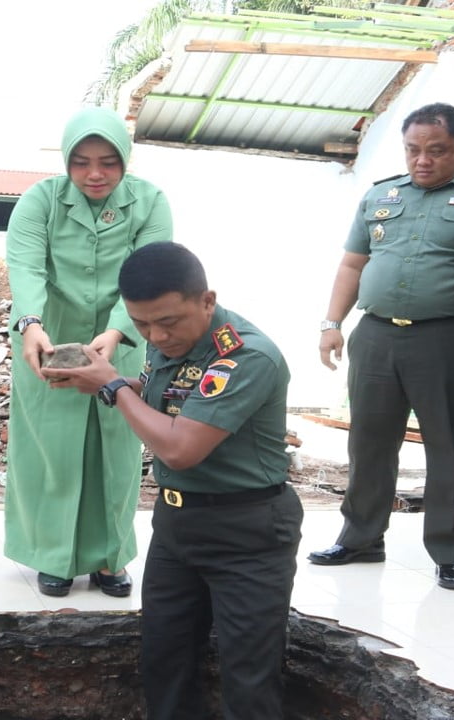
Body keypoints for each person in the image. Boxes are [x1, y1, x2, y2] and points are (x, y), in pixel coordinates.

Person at [44, 242, 302, 720]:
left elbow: (181, 448)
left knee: (249, 677)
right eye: (141, 325)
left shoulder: (246, 356)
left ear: (207, 300)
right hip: (177, 525)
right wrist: (101, 381)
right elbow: (169, 398)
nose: (156, 335)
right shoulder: (168, 338)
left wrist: (113, 386)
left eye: (168, 321)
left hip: (247, 531)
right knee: (165, 661)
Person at [306, 103, 454, 591]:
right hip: (376, 334)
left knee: (453, 448)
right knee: (368, 442)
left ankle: (453, 553)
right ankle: (361, 538)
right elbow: (352, 264)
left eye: (436, 151)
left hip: (447, 338)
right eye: (413, 150)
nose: (422, 161)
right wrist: (332, 323)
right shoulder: (381, 195)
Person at [2, 107, 172, 597]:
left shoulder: (150, 201)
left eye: (107, 162)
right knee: (50, 450)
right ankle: (53, 556)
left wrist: (118, 332)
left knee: (116, 453)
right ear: (66, 161)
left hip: (122, 340)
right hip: (47, 343)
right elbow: (27, 267)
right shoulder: (41, 200)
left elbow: (150, 272)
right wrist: (30, 324)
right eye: (81, 162)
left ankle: (109, 557)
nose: (94, 174)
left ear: (124, 161)